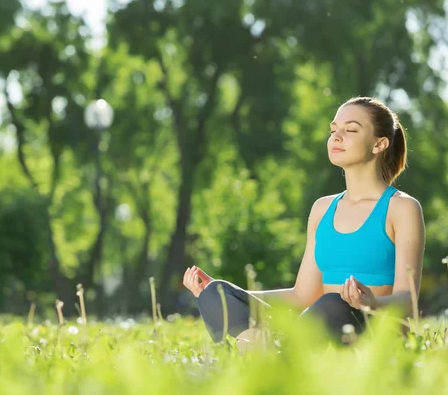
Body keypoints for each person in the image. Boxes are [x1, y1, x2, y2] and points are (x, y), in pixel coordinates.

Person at [182, 97, 425, 350]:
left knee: (333, 303)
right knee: (217, 293)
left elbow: (408, 300)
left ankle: (272, 359)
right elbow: (303, 295)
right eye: (333, 130)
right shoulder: (322, 209)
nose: (336, 137)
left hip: (374, 335)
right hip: (318, 328)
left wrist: (371, 302)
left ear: (379, 144)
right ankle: (259, 352)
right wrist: (230, 292)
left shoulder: (402, 208)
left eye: (350, 130)